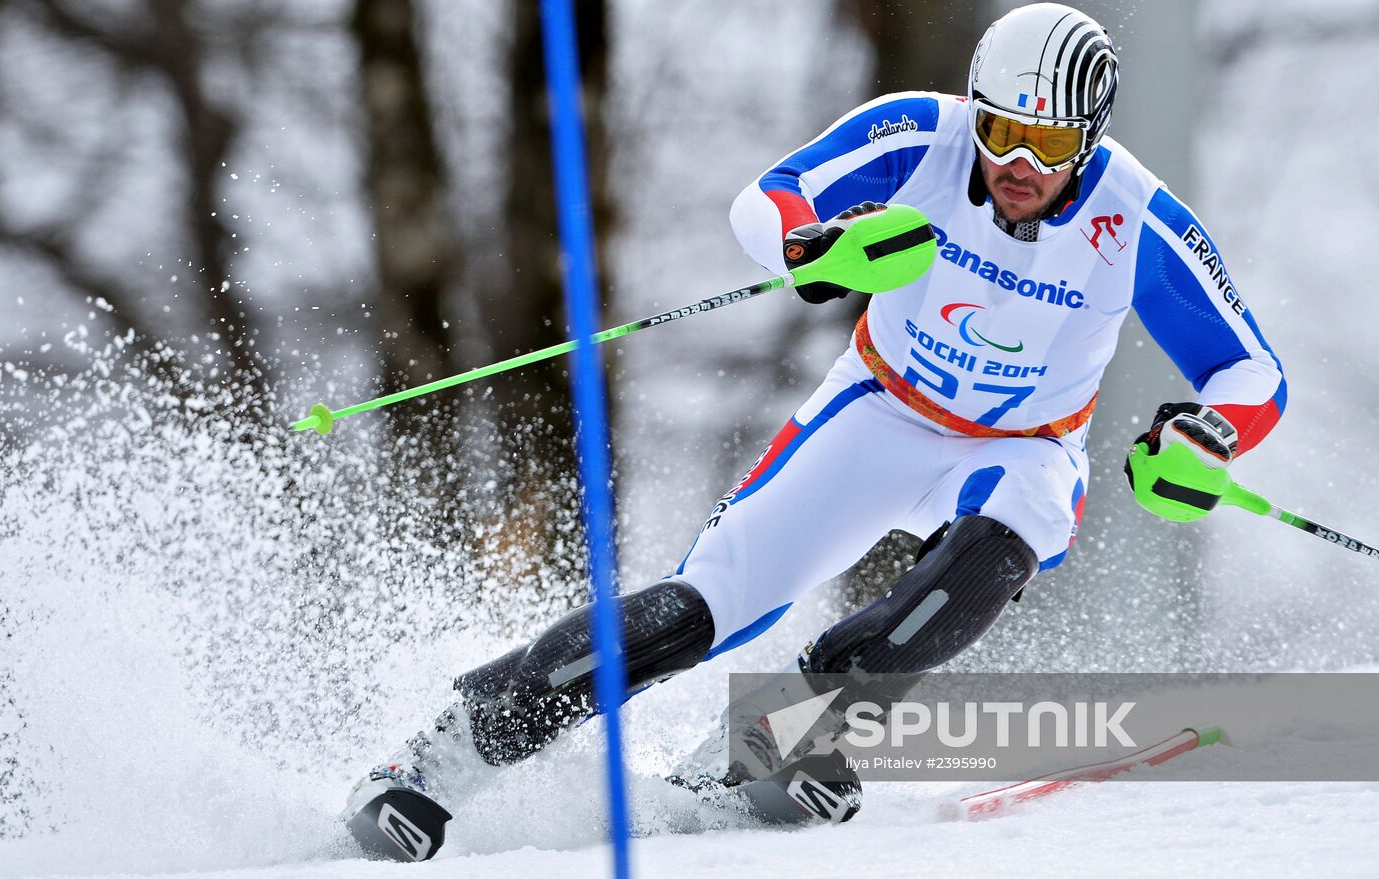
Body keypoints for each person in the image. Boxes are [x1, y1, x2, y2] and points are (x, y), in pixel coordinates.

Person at [343, 1, 1285, 857]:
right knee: (698, 610)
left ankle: (763, 748)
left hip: (1025, 446)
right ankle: (437, 760)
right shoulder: (925, 131)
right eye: (1001, 131)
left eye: (1046, 143)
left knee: (973, 571)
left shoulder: (1139, 214)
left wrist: (1208, 432)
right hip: (878, 410)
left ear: (1090, 135)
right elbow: (769, 198)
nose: (1017, 166)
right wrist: (812, 247)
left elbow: (1253, 371)